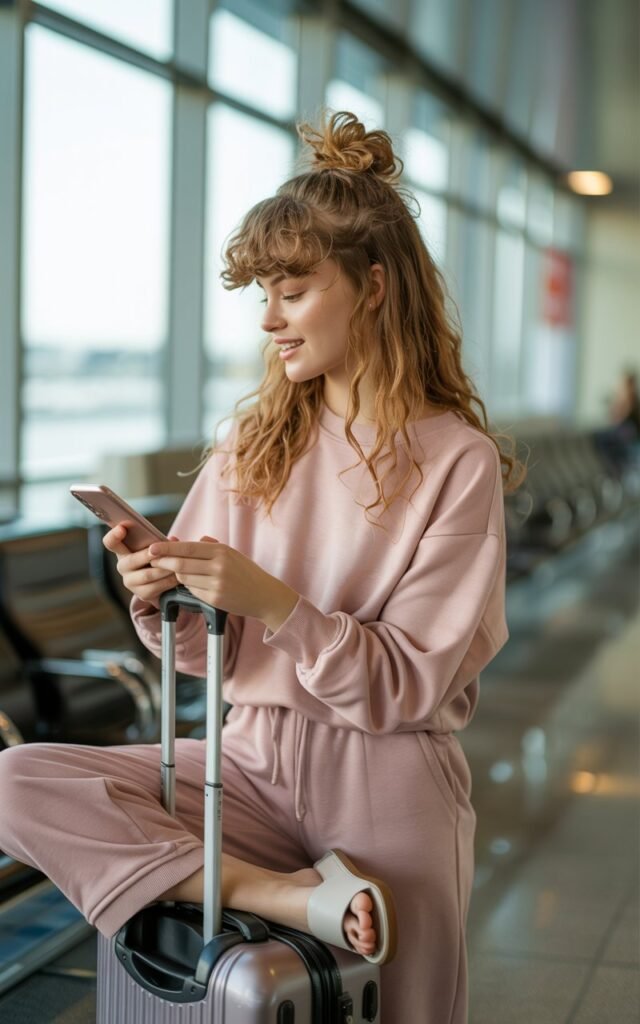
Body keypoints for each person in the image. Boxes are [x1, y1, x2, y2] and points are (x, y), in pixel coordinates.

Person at [0, 110, 524, 1022]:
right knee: (19, 779)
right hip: (246, 764)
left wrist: (275, 603)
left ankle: (278, 887)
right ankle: (270, 891)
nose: (271, 319)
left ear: (372, 286)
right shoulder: (254, 440)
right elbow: (213, 655)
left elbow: (406, 686)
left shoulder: (456, 460)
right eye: (261, 295)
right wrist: (165, 595)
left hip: (387, 781)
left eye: (293, 289)